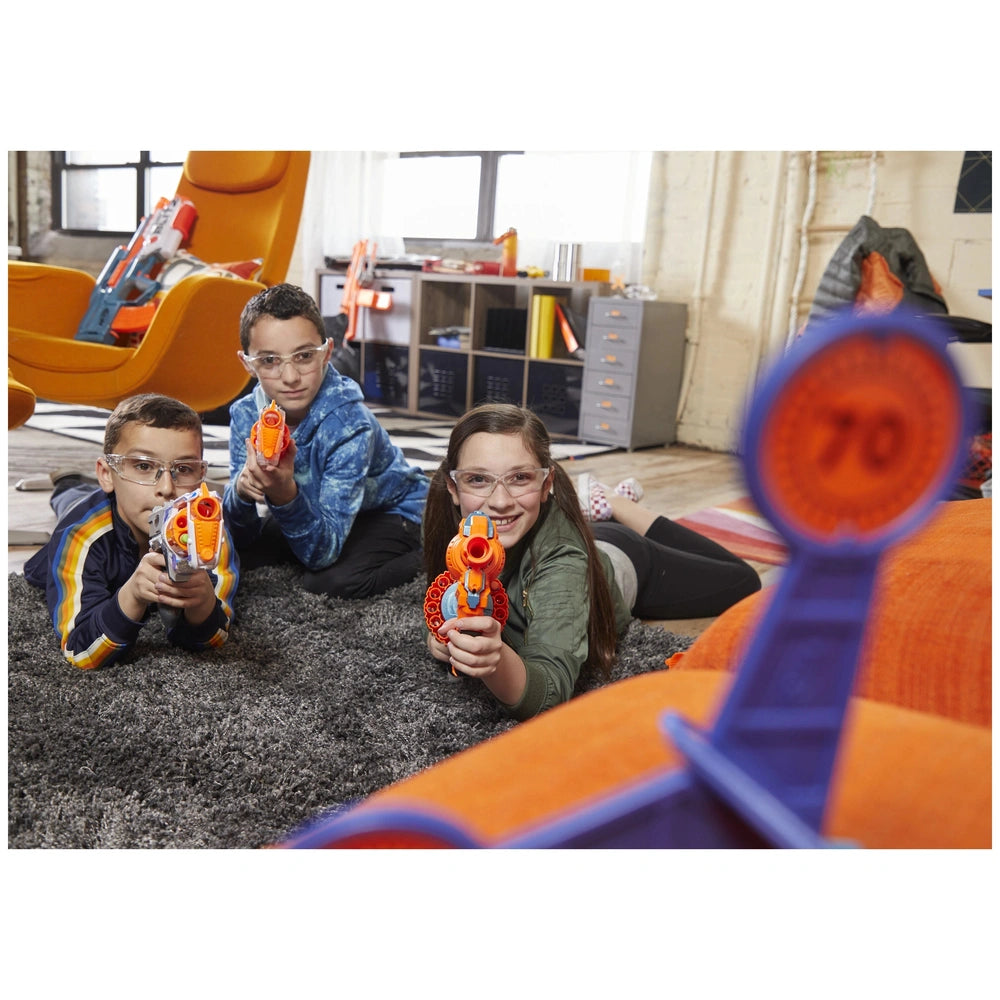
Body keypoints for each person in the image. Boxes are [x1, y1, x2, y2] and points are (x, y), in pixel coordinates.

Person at [423, 403, 761, 721]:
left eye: (520, 478)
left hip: (628, 560)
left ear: (546, 485)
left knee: (743, 582)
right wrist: (442, 632)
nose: (499, 501)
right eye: (478, 479)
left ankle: (616, 503)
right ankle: (601, 513)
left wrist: (495, 663)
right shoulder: (450, 523)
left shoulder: (564, 561)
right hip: (581, 534)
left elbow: (550, 692)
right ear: (453, 487)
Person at [223, 283, 428, 597]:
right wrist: (240, 491)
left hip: (392, 510)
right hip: (323, 506)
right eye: (269, 361)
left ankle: (434, 553)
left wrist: (284, 494)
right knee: (230, 554)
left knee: (328, 580)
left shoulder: (348, 425)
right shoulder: (245, 414)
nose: (290, 377)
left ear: (327, 353)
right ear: (247, 363)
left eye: (304, 356)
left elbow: (321, 554)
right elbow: (242, 533)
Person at [24, 394, 239, 669]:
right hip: (88, 521)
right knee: (70, 502)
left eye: (183, 469)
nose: (166, 488)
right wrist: (132, 595)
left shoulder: (210, 529)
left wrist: (202, 604)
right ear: (106, 473)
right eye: (144, 466)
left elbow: (215, 637)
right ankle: (67, 484)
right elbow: (80, 651)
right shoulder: (80, 535)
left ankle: (74, 486)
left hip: (120, 503)